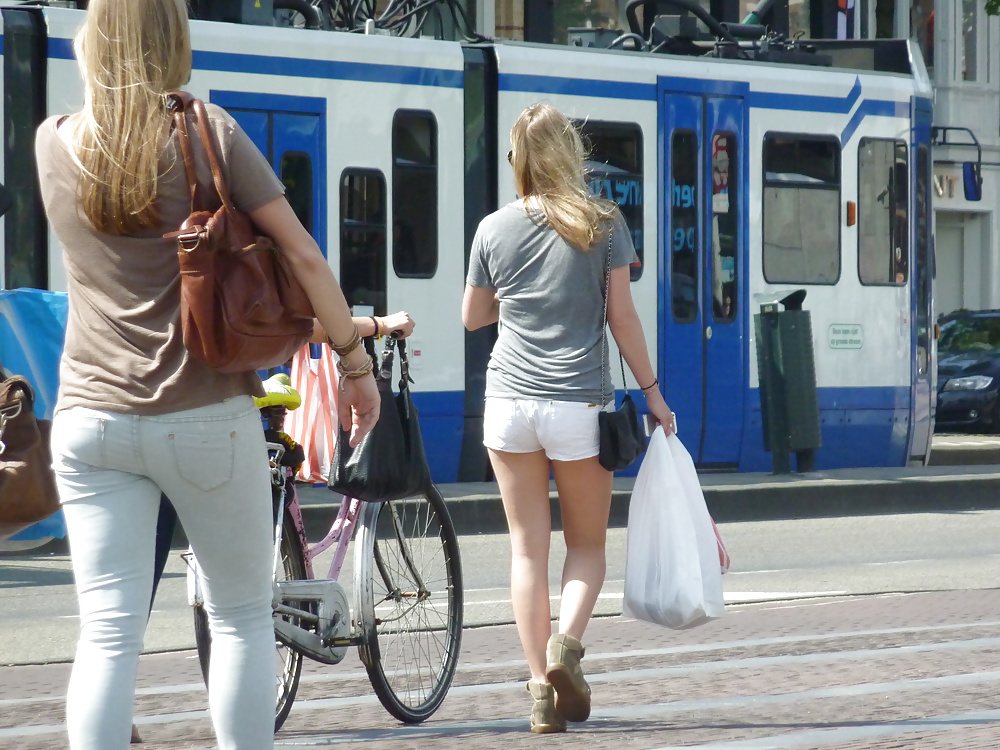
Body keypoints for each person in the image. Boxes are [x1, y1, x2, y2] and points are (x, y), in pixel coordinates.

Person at [33, 2, 379, 748]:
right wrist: (354, 362)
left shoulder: (53, 143)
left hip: (89, 420)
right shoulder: (206, 133)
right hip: (204, 417)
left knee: (108, 634)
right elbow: (305, 258)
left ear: (93, 43)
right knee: (241, 617)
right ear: (172, 41)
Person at [462, 103, 675, 734]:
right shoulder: (603, 224)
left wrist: (520, 298)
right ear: (571, 154)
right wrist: (654, 395)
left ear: (518, 162)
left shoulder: (492, 228)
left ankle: (537, 693)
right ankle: (567, 648)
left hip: (508, 404)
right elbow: (623, 319)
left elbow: (473, 316)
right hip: (579, 404)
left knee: (527, 551)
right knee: (585, 546)